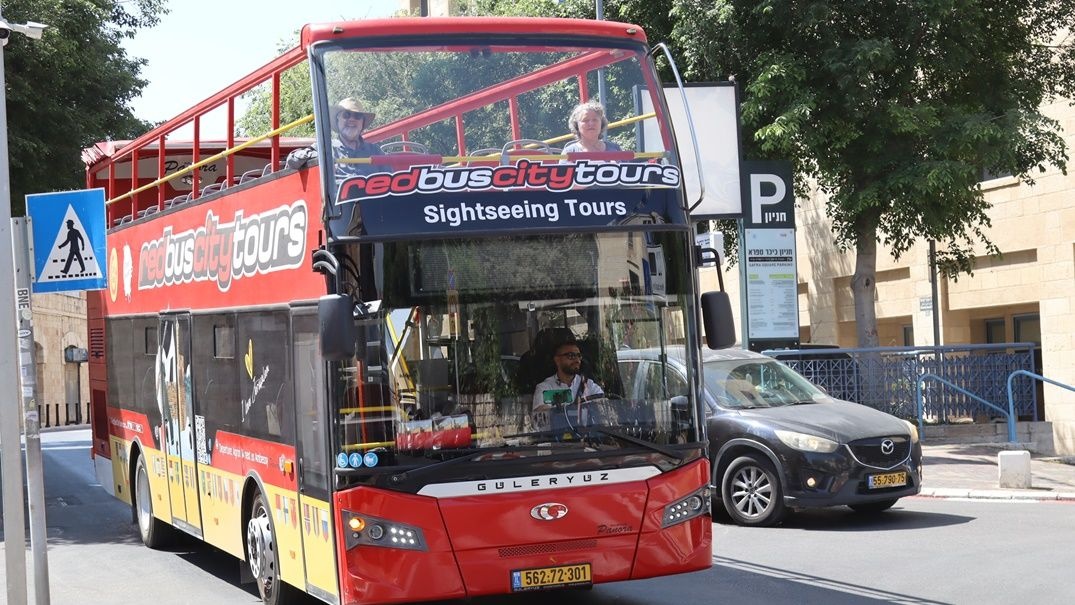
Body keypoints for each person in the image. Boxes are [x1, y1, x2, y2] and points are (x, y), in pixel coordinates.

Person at [285, 97, 384, 177]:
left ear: (362, 123)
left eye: (357, 116)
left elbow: (390, 178)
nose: (352, 120)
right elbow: (292, 160)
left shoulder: (375, 151)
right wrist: (318, 157)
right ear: (338, 120)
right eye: (346, 115)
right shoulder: (325, 148)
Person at [532, 338, 604, 431]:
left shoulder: (588, 385)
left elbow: (603, 406)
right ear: (557, 360)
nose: (577, 360)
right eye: (571, 356)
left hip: (587, 440)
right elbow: (540, 420)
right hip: (556, 442)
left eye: (579, 356)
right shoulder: (545, 387)